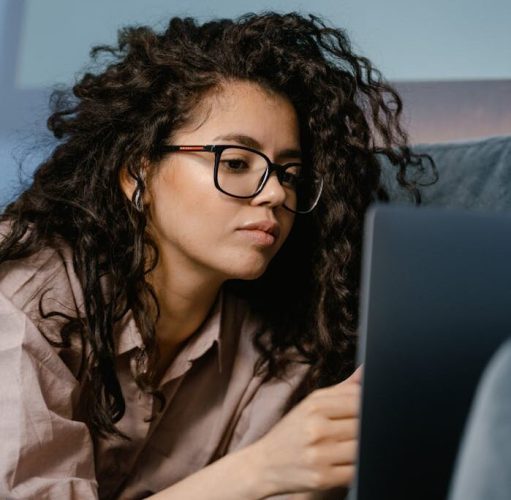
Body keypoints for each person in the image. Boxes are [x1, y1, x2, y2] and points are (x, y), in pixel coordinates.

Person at [0, 12, 430, 499]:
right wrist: (260, 469)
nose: (273, 195)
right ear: (137, 175)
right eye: (237, 162)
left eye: (289, 174)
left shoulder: (284, 341)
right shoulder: (21, 301)